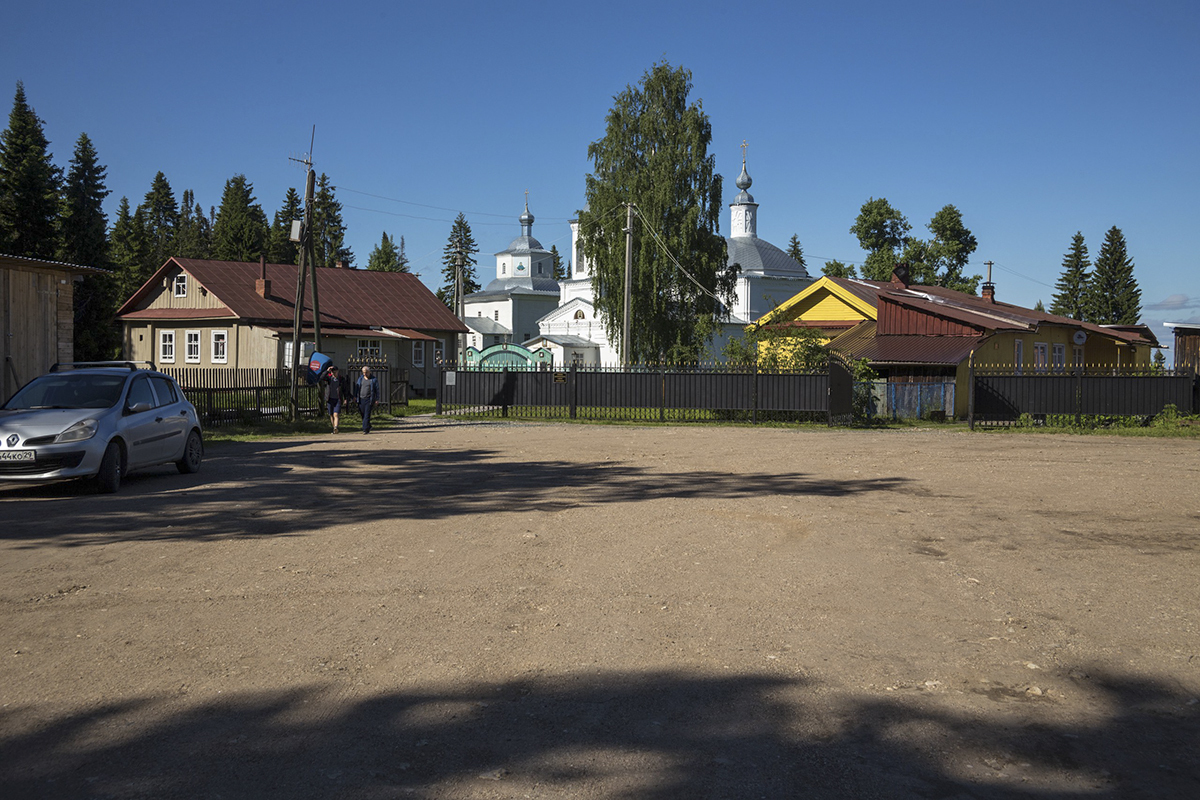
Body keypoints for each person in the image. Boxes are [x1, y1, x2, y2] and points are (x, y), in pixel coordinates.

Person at [355, 365, 380, 434]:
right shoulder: (360, 379)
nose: (365, 374)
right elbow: (357, 388)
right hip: (361, 399)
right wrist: (355, 396)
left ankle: (365, 429)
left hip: (369, 399)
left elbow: (377, 390)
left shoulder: (373, 380)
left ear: (369, 372)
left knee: (367, 414)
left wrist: (377, 399)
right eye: (363, 372)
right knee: (363, 414)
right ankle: (368, 425)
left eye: (366, 372)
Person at [320, 365, 344, 433]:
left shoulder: (341, 379)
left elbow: (345, 389)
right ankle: (334, 428)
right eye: (333, 372)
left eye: (335, 371)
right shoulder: (329, 378)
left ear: (337, 371)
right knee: (331, 414)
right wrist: (327, 371)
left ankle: (336, 426)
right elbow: (322, 377)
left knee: (336, 414)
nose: (334, 373)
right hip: (330, 398)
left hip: (337, 399)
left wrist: (345, 398)